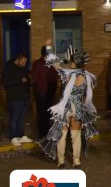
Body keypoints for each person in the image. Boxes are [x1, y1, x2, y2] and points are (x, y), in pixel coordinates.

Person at [38, 39, 98, 168]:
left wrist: (48, 47)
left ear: (73, 63)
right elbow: (87, 94)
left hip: (64, 108)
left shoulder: (66, 74)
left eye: (71, 61)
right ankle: (76, 161)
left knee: (62, 135)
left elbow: (54, 63)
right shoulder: (87, 76)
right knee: (75, 136)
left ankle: (61, 160)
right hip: (78, 108)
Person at [1, 54, 33, 147]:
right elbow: (5, 83)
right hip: (14, 98)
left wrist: (30, 81)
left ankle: (21, 135)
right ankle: (13, 137)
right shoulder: (7, 69)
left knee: (21, 118)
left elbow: (26, 80)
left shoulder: (23, 69)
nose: (24, 64)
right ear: (17, 60)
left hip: (24, 98)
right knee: (14, 118)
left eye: (25, 63)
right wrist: (20, 80)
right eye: (23, 62)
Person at [31, 45, 59, 139]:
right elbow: (35, 79)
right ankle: (42, 134)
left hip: (50, 93)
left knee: (48, 114)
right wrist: (43, 89)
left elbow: (54, 76)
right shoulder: (38, 63)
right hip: (42, 93)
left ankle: (47, 132)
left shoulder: (51, 63)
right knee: (42, 114)